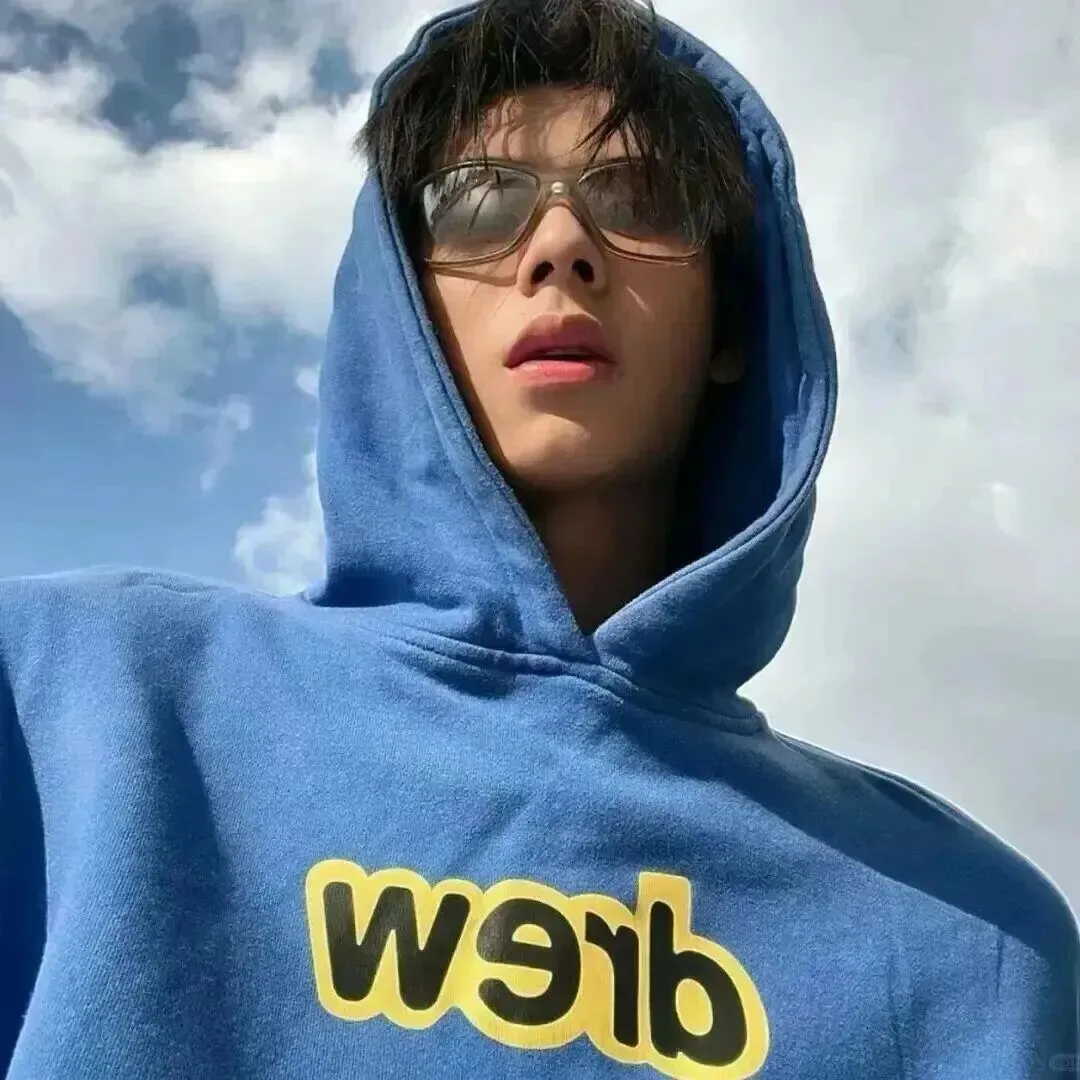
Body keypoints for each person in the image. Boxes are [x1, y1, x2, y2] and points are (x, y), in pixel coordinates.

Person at [1, 0, 1076, 1076]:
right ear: (403, 295)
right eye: (478, 201)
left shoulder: (971, 937)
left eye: (642, 199)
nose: (560, 247)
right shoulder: (70, 700)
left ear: (733, 323)